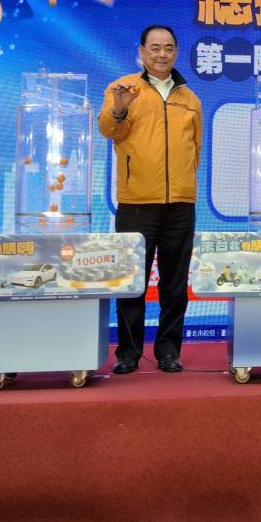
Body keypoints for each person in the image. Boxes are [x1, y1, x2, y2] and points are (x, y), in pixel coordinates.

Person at [98, 25, 202, 374]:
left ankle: (169, 351)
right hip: (137, 203)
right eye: (154, 48)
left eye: (168, 48)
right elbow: (108, 129)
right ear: (141, 52)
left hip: (180, 204)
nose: (162, 54)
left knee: (175, 284)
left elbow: (195, 148)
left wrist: (185, 185)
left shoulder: (190, 98)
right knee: (133, 281)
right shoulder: (123, 89)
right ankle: (128, 353)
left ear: (176, 52)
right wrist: (119, 109)